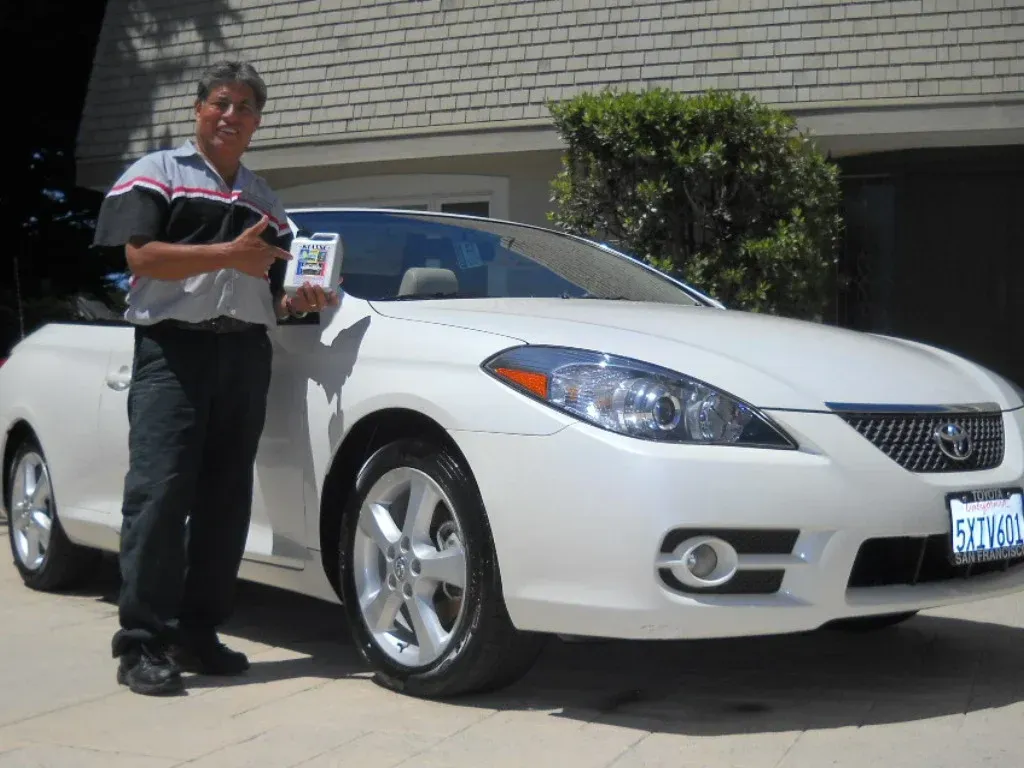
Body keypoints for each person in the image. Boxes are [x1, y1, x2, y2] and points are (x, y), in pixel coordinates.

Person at [91, 60, 339, 696]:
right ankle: (141, 643)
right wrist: (230, 253)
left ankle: (197, 634)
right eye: (221, 103)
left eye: (246, 108)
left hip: (245, 354)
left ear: (258, 123)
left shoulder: (266, 201)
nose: (232, 116)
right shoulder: (157, 174)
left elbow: (279, 293)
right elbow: (140, 257)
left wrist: (303, 299)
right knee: (159, 494)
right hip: (174, 351)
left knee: (225, 502)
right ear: (199, 109)